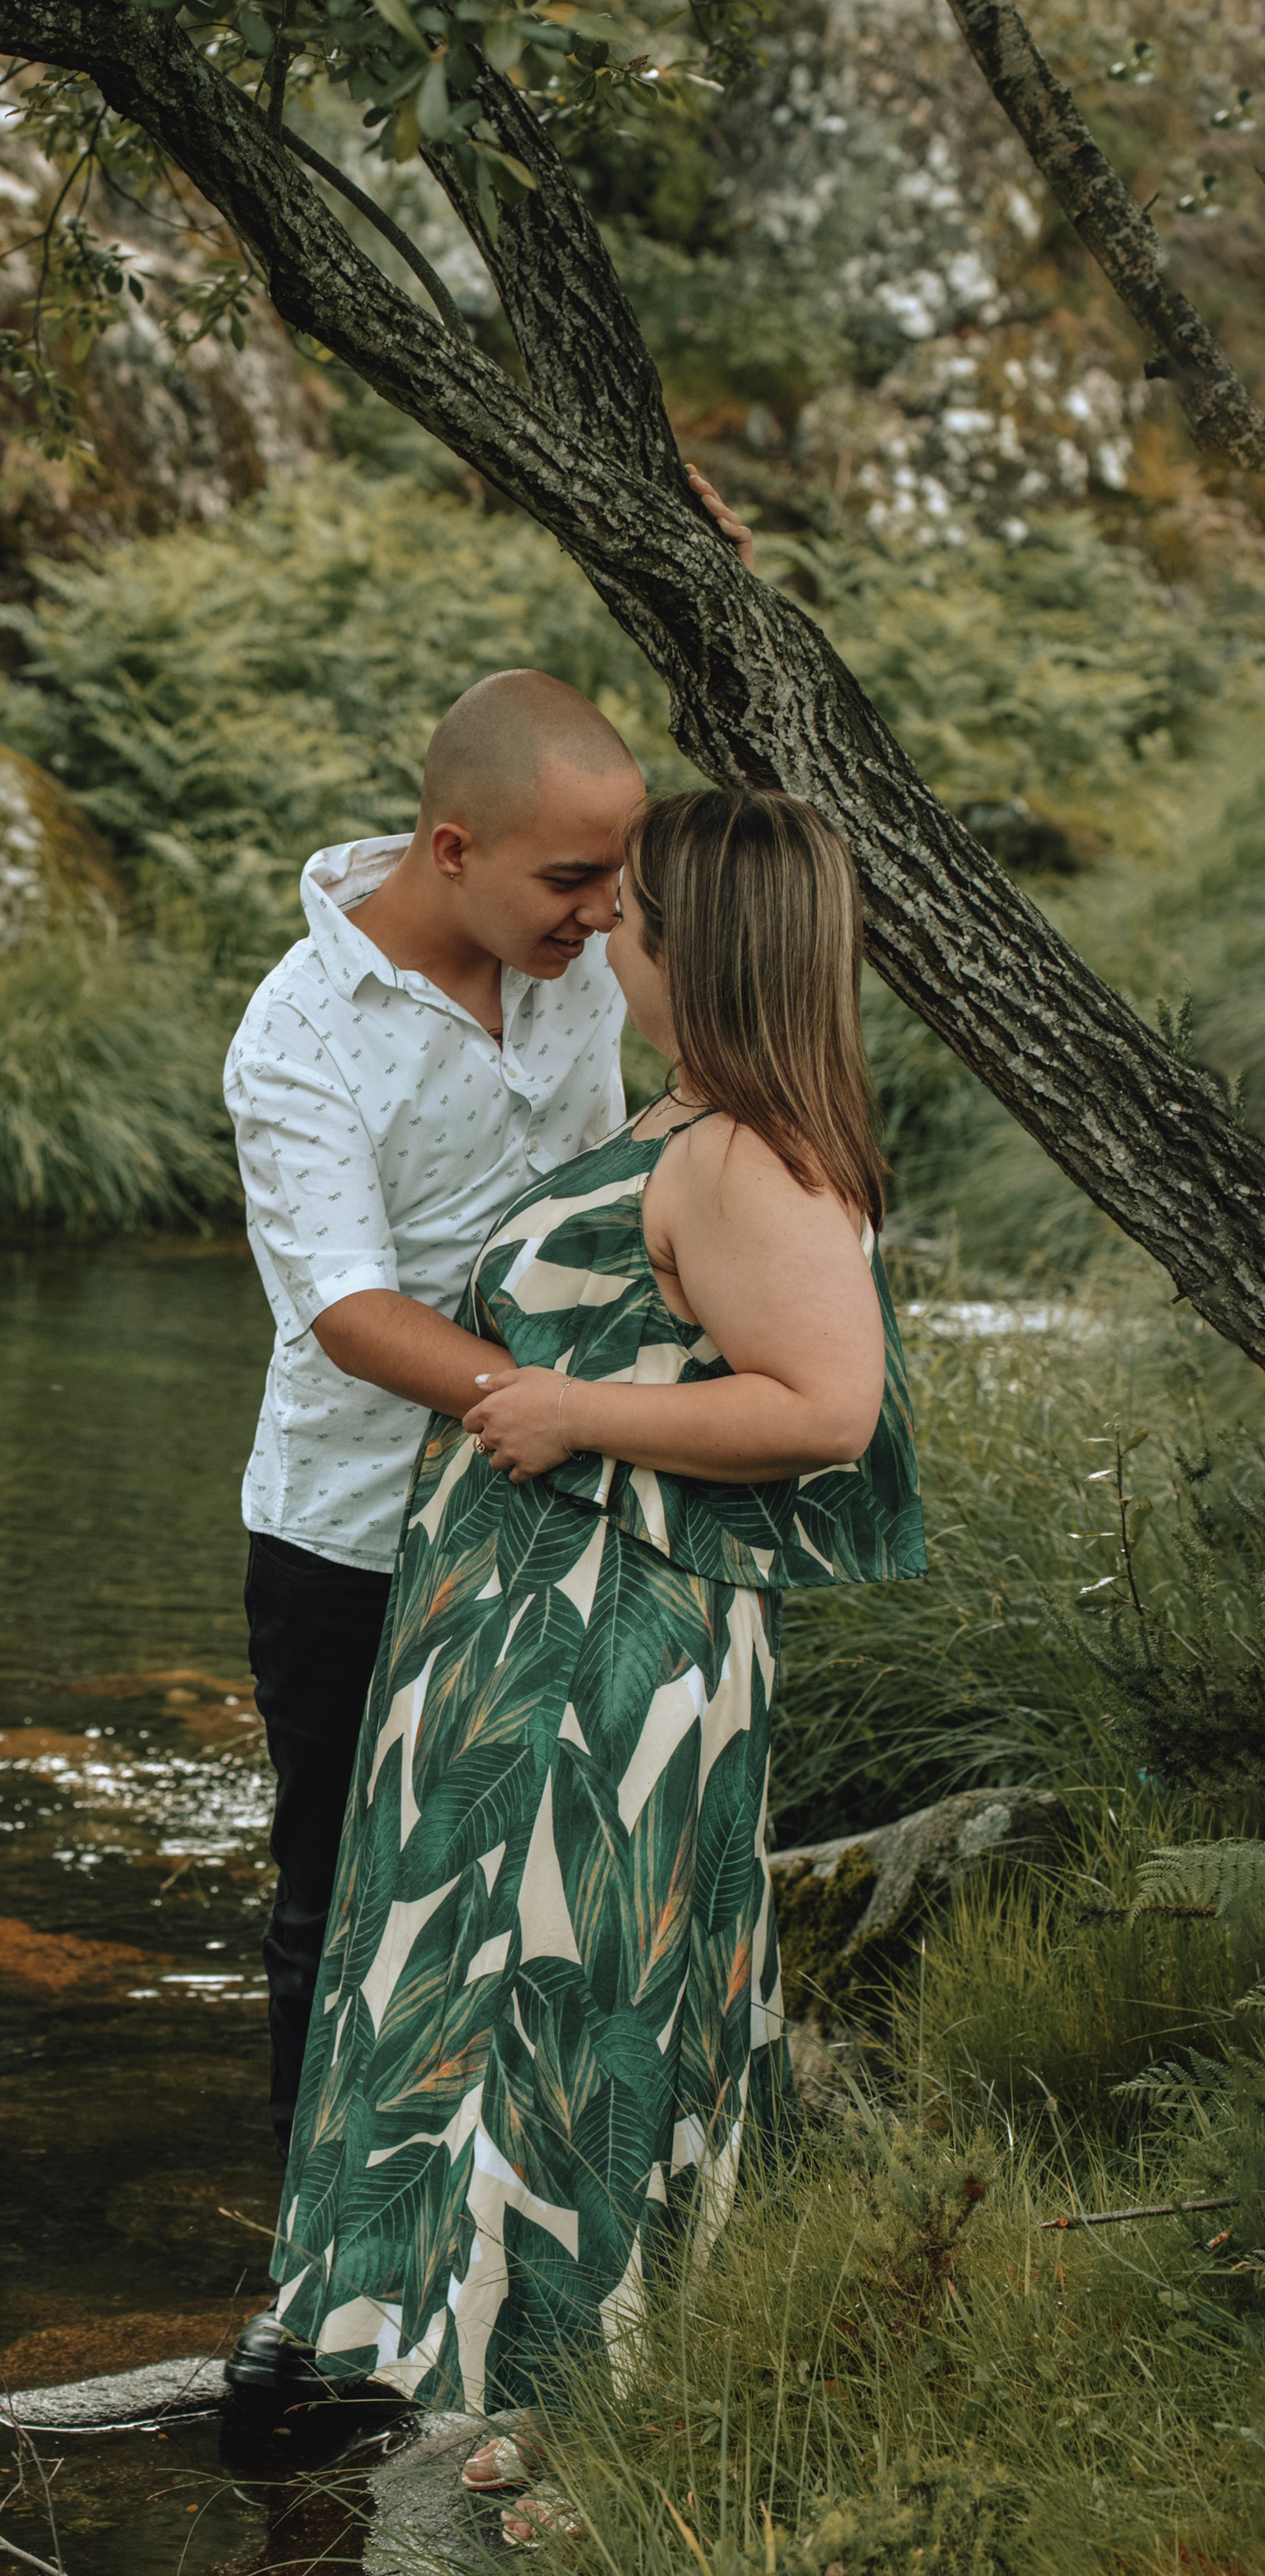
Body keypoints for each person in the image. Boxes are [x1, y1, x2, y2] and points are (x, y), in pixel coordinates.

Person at [260, 785, 926, 2456]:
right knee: (488, 1980)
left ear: (695, 951)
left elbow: (825, 1408)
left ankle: (555, 2393)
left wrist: (564, 1412)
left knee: (560, 1995)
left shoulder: (742, 1157)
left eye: (626, 916)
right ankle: (447, 2362)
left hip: (600, 1647)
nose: (598, 937)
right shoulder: (687, 1118)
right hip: (529, 1629)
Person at [223, 471, 754, 2414]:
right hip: (360, 1527)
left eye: (616, 884)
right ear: (452, 850)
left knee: (522, 1877)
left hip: (558, 1499)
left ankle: (507, 2242)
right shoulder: (300, 1035)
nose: (611, 920)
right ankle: (310, 2297)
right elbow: (342, 1312)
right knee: (340, 1893)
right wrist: (526, 1404)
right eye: (572, 888)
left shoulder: (560, 948)